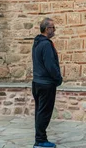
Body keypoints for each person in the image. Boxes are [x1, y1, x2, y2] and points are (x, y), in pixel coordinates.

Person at [32, 17, 63, 148]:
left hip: (37, 82)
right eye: (53, 27)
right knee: (44, 113)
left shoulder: (37, 43)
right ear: (46, 29)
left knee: (40, 112)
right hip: (46, 84)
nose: (54, 30)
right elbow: (50, 65)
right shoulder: (46, 44)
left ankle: (40, 138)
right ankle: (40, 141)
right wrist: (58, 78)